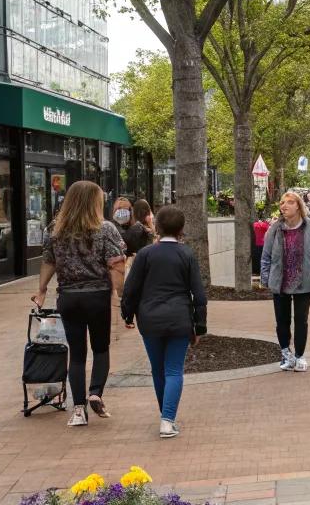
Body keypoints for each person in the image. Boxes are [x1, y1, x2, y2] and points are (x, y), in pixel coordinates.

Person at [33, 179, 126, 427]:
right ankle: (96, 393)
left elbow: (48, 262)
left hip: (68, 297)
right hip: (97, 296)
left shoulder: (55, 230)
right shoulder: (105, 229)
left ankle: (78, 409)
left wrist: (41, 290)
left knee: (76, 354)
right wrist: (120, 294)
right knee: (101, 348)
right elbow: (116, 264)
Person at [121, 204, 207, 439]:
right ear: (181, 229)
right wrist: (200, 325)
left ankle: (165, 416)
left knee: (158, 370)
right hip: (179, 319)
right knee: (174, 370)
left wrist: (127, 314)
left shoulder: (145, 255)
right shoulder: (187, 254)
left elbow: (131, 289)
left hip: (149, 319)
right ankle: (167, 420)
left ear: (157, 227)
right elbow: (199, 294)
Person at [260, 191, 310, 371]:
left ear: (298, 206)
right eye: (282, 202)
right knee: (282, 321)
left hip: (304, 282)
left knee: (301, 320)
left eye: (289, 202)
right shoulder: (275, 229)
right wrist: (265, 279)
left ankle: (300, 356)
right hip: (280, 282)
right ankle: (286, 354)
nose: (284, 206)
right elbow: (265, 256)